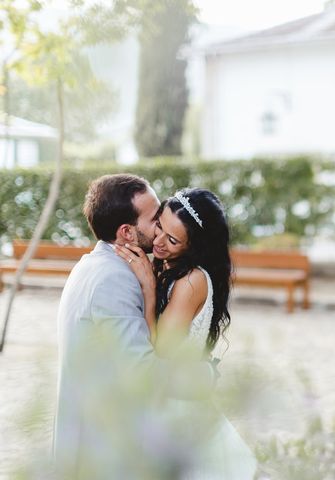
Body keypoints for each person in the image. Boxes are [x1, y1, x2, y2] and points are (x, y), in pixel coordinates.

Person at [53, 175, 219, 479]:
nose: (160, 228)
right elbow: (144, 373)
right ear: (127, 232)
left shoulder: (95, 265)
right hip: (103, 446)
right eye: (156, 219)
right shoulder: (114, 280)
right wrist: (206, 375)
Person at [115, 187, 256, 479]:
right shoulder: (168, 265)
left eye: (173, 240)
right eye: (160, 228)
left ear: (195, 248)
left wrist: (149, 292)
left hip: (178, 411)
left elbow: (159, 351)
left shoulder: (192, 281)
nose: (158, 242)